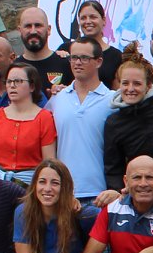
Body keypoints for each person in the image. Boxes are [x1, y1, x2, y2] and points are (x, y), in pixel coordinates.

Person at [103, 50, 153, 195]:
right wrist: (120, 195)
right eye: (125, 83)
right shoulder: (113, 122)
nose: (130, 89)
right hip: (135, 196)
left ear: (148, 85)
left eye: (137, 84)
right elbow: (113, 168)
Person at [50, 36, 117, 198]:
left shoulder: (113, 100)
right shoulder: (57, 98)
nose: (77, 62)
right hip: (63, 194)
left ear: (99, 61)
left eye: (84, 58)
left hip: (100, 193)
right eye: (73, 57)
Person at [0, 62, 59, 184]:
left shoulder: (44, 117)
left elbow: (48, 161)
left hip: (30, 183)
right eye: (9, 81)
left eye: (18, 81)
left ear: (32, 86)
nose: (12, 86)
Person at [14, 6, 71, 93]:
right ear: (20, 30)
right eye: (28, 26)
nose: (33, 31)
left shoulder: (66, 64)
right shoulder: (14, 68)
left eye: (38, 25)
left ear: (49, 30)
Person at [75, 0, 126, 87]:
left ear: (104, 20)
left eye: (93, 17)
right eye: (83, 18)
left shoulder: (116, 56)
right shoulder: (67, 49)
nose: (88, 21)